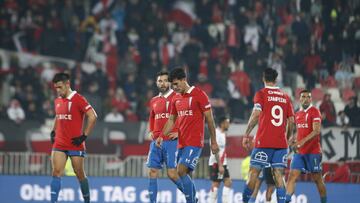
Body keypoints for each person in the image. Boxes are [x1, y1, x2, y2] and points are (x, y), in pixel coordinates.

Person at [156, 67, 221, 203]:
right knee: (185, 174)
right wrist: (162, 135)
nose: (173, 88)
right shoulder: (176, 99)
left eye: (176, 84)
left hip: (195, 141)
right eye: (172, 85)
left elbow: (210, 119)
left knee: (180, 170)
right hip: (182, 143)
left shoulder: (199, 94)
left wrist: (213, 141)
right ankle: (193, 200)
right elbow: (172, 119)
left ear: (184, 80)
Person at [242, 68, 295, 203]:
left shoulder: (261, 94)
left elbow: (256, 114)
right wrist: (287, 138)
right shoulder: (285, 96)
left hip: (263, 143)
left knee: (253, 174)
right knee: (279, 176)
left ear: (263, 79)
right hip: (280, 144)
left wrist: (246, 133)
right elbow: (291, 121)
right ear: (276, 80)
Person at [50, 73, 97, 203]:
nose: (58, 91)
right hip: (59, 143)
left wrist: (84, 136)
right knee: (56, 172)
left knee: (79, 173)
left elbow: (93, 116)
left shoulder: (78, 99)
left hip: (75, 144)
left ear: (67, 84)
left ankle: (87, 201)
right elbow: (58, 115)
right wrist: (53, 130)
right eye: (56, 88)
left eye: (60, 87)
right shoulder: (58, 100)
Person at [146, 71, 184, 203]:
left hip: (171, 141)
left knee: (172, 174)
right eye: (160, 81)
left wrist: (179, 132)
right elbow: (152, 116)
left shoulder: (177, 97)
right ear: (156, 83)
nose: (162, 83)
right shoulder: (154, 100)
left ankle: (191, 196)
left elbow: (184, 116)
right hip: (156, 141)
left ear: (170, 82)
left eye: (165, 80)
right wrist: (151, 130)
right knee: (152, 171)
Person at [285, 89, 327, 203]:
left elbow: (316, 131)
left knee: (317, 179)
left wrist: (302, 141)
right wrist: (293, 138)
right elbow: (299, 130)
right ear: (300, 99)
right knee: (292, 176)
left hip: (313, 152)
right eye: (303, 96)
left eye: (308, 97)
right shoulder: (297, 113)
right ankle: (286, 201)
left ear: (311, 99)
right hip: (300, 152)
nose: (305, 99)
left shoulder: (315, 111)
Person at [208, 116, 232, 203]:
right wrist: (220, 165)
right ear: (222, 124)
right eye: (227, 123)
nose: (228, 125)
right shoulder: (216, 134)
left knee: (228, 182)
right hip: (216, 163)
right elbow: (215, 150)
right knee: (216, 184)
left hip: (223, 163)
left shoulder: (223, 134)